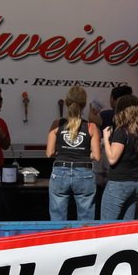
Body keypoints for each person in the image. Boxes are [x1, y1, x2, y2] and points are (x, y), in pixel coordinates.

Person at [46, 86, 102, 220]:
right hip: (84, 173)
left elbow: (49, 153)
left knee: (57, 219)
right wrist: (83, 154)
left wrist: (63, 151)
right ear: (84, 105)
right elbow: (96, 156)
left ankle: (59, 234)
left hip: (60, 172)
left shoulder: (57, 124)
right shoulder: (91, 127)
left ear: (66, 103)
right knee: (86, 219)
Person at [102, 95, 138, 220]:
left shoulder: (121, 132)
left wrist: (106, 138)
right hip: (135, 183)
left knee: (107, 226)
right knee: (126, 227)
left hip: (119, 184)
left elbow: (112, 159)